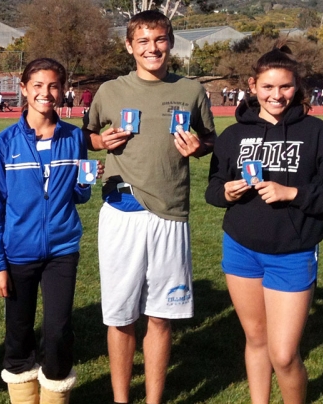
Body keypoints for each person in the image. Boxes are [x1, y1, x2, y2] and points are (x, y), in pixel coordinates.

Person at [205, 47, 323, 404]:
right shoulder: (233, 136)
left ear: (297, 87)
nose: (277, 95)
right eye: (268, 86)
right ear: (252, 86)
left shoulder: (318, 133)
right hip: (241, 249)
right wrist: (226, 192)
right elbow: (213, 188)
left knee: (284, 354)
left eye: (286, 87)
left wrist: (293, 193)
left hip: (293, 252)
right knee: (256, 341)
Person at [82, 10, 216, 404]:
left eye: (159, 40)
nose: (152, 48)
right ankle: (122, 399)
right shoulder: (110, 90)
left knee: (160, 316)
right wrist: (101, 142)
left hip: (170, 211)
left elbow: (209, 139)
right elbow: (87, 135)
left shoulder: (191, 90)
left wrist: (199, 148)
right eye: (143, 41)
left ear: (170, 43)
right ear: (129, 46)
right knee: (121, 315)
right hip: (122, 208)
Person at [0, 57, 99, 404]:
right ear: (23, 89)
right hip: (18, 251)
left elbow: (79, 195)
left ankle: (55, 394)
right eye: (37, 85)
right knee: (19, 333)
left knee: (59, 332)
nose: (45, 93)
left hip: (62, 250)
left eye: (53, 86)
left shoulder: (74, 137)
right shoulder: (5, 143)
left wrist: (86, 181)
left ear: (63, 89)